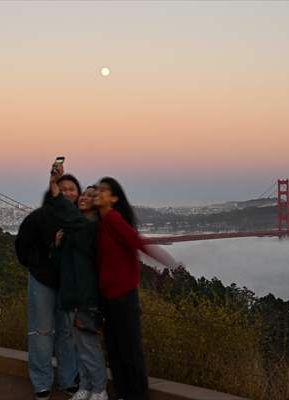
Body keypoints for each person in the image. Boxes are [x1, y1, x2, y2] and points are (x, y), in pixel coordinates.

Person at [93, 177, 177, 400]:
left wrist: (168, 261)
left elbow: (136, 240)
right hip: (108, 300)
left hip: (123, 298)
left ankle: (138, 396)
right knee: (115, 352)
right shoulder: (101, 223)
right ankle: (124, 395)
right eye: (97, 189)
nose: (98, 193)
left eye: (104, 190)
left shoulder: (112, 218)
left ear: (114, 198)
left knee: (130, 353)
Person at [15, 173, 80, 400]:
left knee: (68, 333)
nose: (68, 193)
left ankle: (68, 380)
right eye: (63, 189)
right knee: (41, 332)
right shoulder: (39, 217)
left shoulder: (79, 219)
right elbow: (22, 245)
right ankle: (41, 382)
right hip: (42, 281)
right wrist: (38, 264)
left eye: (72, 189)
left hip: (69, 284)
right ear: (53, 192)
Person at [46, 167, 108, 400]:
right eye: (84, 194)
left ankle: (99, 389)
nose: (83, 197)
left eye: (91, 195)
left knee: (89, 345)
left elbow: (64, 210)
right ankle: (86, 386)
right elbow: (61, 263)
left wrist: (54, 184)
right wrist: (57, 243)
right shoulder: (73, 229)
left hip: (87, 297)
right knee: (79, 345)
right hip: (71, 294)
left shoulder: (93, 228)